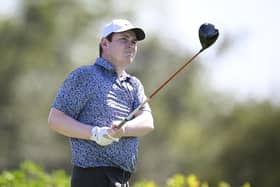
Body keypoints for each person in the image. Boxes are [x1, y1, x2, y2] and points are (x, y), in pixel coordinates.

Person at [48, 19, 154, 187]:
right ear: (105, 43)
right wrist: (95, 133)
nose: (131, 45)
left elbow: (147, 122)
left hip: (123, 179)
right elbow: (56, 119)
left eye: (134, 42)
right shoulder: (85, 76)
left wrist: (123, 130)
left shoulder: (134, 84)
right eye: (124, 39)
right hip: (92, 177)